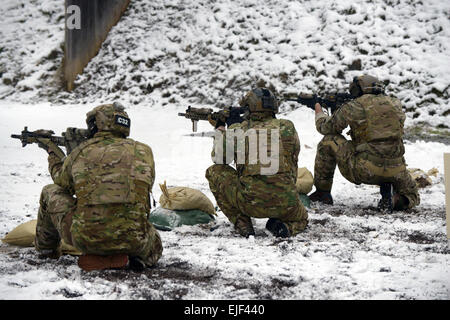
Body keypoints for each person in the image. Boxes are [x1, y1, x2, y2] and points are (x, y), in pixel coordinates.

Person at [34, 102, 162, 271]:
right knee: (155, 242)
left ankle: (47, 252)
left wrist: (53, 153)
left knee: (49, 191)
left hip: (86, 239)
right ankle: (134, 258)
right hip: (134, 239)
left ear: (97, 124)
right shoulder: (144, 151)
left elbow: (61, 182)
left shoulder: (80, 152)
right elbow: (145, 186)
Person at [205, 88, 308, 238]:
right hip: (287, 203)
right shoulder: (287, 126)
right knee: (302, 218)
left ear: (249, 107)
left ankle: (242, 222)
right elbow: (292, 157)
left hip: (251, 205)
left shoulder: (239, 130)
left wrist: (222, 128)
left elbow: (219, 158)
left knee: (214, 171)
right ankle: (284, 227)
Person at [309, 75, 420, 211]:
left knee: (329, 140)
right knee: (413, 196)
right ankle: (395, 200)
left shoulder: (354, 106)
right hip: (396, 170)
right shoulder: (396, 104)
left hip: (366, 170)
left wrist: (319, 113)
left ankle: (322, 193)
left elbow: (326, 128)